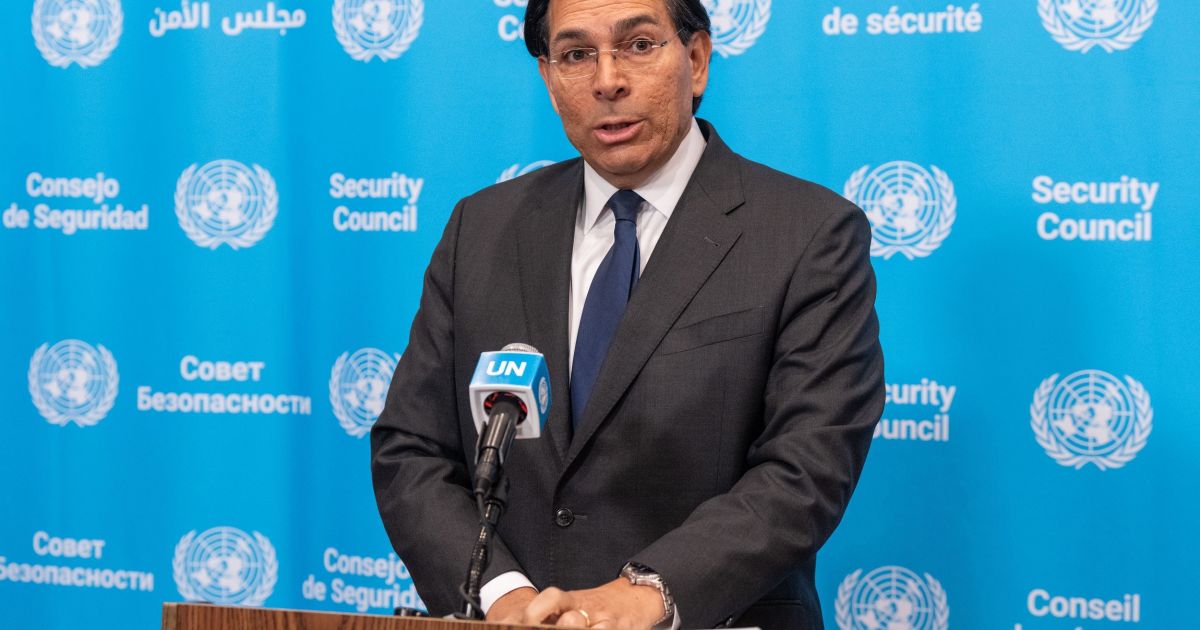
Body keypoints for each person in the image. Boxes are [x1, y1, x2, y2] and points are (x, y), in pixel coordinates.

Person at [370, 1, 884, 627]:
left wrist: (644, 596)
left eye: (638, 45)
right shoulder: (482, 228)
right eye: (576, 55)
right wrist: (505, 598)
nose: (607, 80)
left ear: (696, 59)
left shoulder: (807, 234)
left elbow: (806, 469)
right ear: (549, 79)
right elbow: (413, 451)